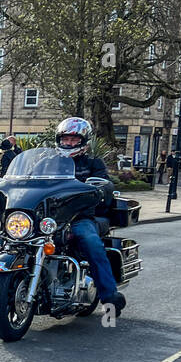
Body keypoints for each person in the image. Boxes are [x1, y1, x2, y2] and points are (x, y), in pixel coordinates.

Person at [54, 116, 125, 318]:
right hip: (50, 218)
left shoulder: (93, 164)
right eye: (65, 139)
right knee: (12, 235)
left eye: (73, 140)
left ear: (83, 141)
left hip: (80, 216)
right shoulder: (49, 162)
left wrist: (101, 186)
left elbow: (105, 184)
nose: (68, 143)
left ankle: (109, 295)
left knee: (91, 242)